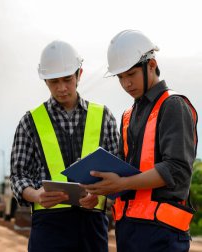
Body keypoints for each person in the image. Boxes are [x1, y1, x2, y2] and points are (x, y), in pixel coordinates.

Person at [82, 30, 198, 252]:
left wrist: (122, 184)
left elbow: (176, 170)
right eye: (120, 77)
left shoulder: (173, 105)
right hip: (128, 231)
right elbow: (124, 172)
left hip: (163, 234)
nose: (126, 83)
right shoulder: (128, 115)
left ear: (151, 64)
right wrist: (100, 192)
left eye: (131, 74)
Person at [10, 40, 120, 252]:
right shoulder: (30, 122)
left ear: (79, 74)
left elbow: (117, 172)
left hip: (93, 226)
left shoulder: (103, 116)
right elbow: (18, 176)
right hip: (49, 226)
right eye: (53, 81)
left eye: (67, 79)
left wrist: (99, 195)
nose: (61, 88)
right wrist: (36, 196)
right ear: (45, 82)